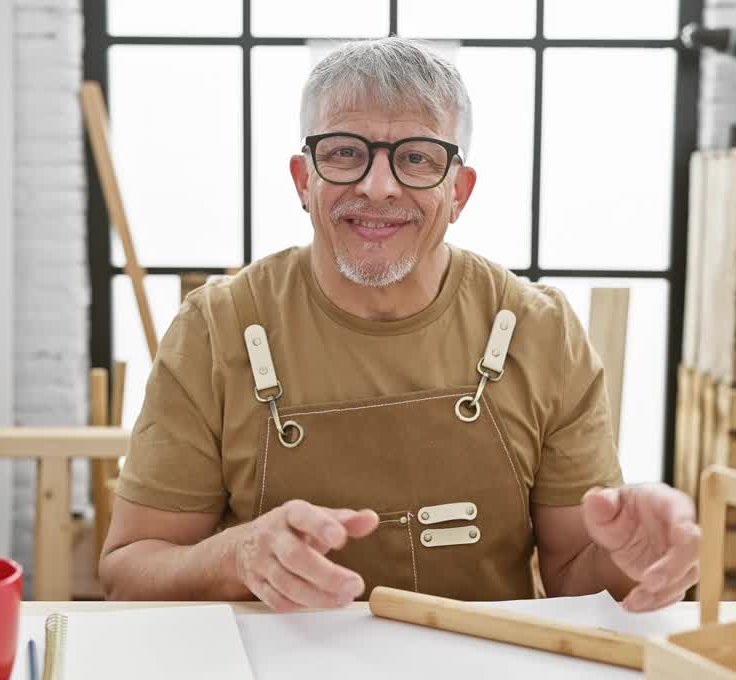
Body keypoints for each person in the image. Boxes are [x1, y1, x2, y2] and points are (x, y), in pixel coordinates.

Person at [100, 37, 699, 612]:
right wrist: (236, 555)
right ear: (302, 180)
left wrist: (633, 559)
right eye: (343, 153)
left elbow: (576, 577)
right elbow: (129, 573)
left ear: (458, 191)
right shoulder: (218, 328)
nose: (378, 186)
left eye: (415, 158)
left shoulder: (541, 331)